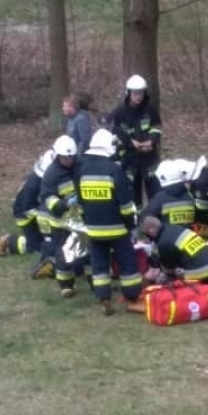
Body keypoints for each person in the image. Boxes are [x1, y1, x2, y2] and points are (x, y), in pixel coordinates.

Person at [78, 127, 144, 315]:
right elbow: (125, 202)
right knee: (127, 264)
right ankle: (132, 298)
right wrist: (130, 223)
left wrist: (88, 223)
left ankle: (104, 298)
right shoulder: (113, 169)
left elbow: (81, 203)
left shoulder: (83, 170)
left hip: (94, 230)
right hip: (117, 229)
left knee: (99, 265)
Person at [39, 135, 87, 298]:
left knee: (84, 248)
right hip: (61, 221)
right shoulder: (51, 175)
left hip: (79, 218)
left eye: (71, 157)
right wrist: (63, 204)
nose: (68, 160)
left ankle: (85, 274)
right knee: (63, 253)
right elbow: (47, 198)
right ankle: (66, 285)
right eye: (65, 157)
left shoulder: (80, 165)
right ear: (58, 156)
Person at [0, 147, 55, 270]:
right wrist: (47, 215)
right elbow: (28, 208)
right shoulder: (34, 185)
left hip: (39, 209)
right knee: (36, 247)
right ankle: (9, 241)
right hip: (24, 214)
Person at [110, 74, 162, 206]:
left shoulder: (150, 109)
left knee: (155, 191)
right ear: (128, 93)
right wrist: (130, 142)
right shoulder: (119, 111)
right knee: (133, 194)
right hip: (130, 160)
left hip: (149, 158)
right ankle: (136, 220)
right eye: (135, 93)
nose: (138, 96)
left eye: (141, 93)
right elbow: (113, 131)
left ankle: (154, 217)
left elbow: (157, 126)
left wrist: (151, 141)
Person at [139, 159, 197, 228]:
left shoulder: (160, 198)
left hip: (166, 237)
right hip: (188, 236)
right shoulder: (190, 196)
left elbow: (146, 218)